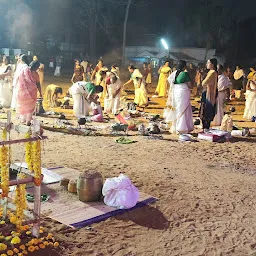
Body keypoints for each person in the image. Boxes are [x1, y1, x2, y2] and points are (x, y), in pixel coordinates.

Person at [164, 60, 193, 134]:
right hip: (183, 92)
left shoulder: (174, 73)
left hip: (175, 92)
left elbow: (169, 81)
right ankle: (181, 128)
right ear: (184, 66)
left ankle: (176, 127)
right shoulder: (185, 74)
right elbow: (190, 85)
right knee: (183, 109)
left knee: (177, 109)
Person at [16, 60, 42, 125]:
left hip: (21, 93)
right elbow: (38, 84)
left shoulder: (23, 70)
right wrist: (40, 93)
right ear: (36, 67)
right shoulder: (35, 74)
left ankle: (23, 119)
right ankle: (28, 120)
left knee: (23, 106)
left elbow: (18, 79)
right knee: (30, 107)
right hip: (31, 94)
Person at [199, 58, 218, 131]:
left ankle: (206, 127)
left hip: (208, 93)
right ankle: (205, 127)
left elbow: (204, 83)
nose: (207, 64)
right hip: (207, 92)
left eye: (208, 63)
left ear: (212, 64)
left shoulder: (212, 72)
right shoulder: (211, 72)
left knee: (206, 109)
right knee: (205, 109)